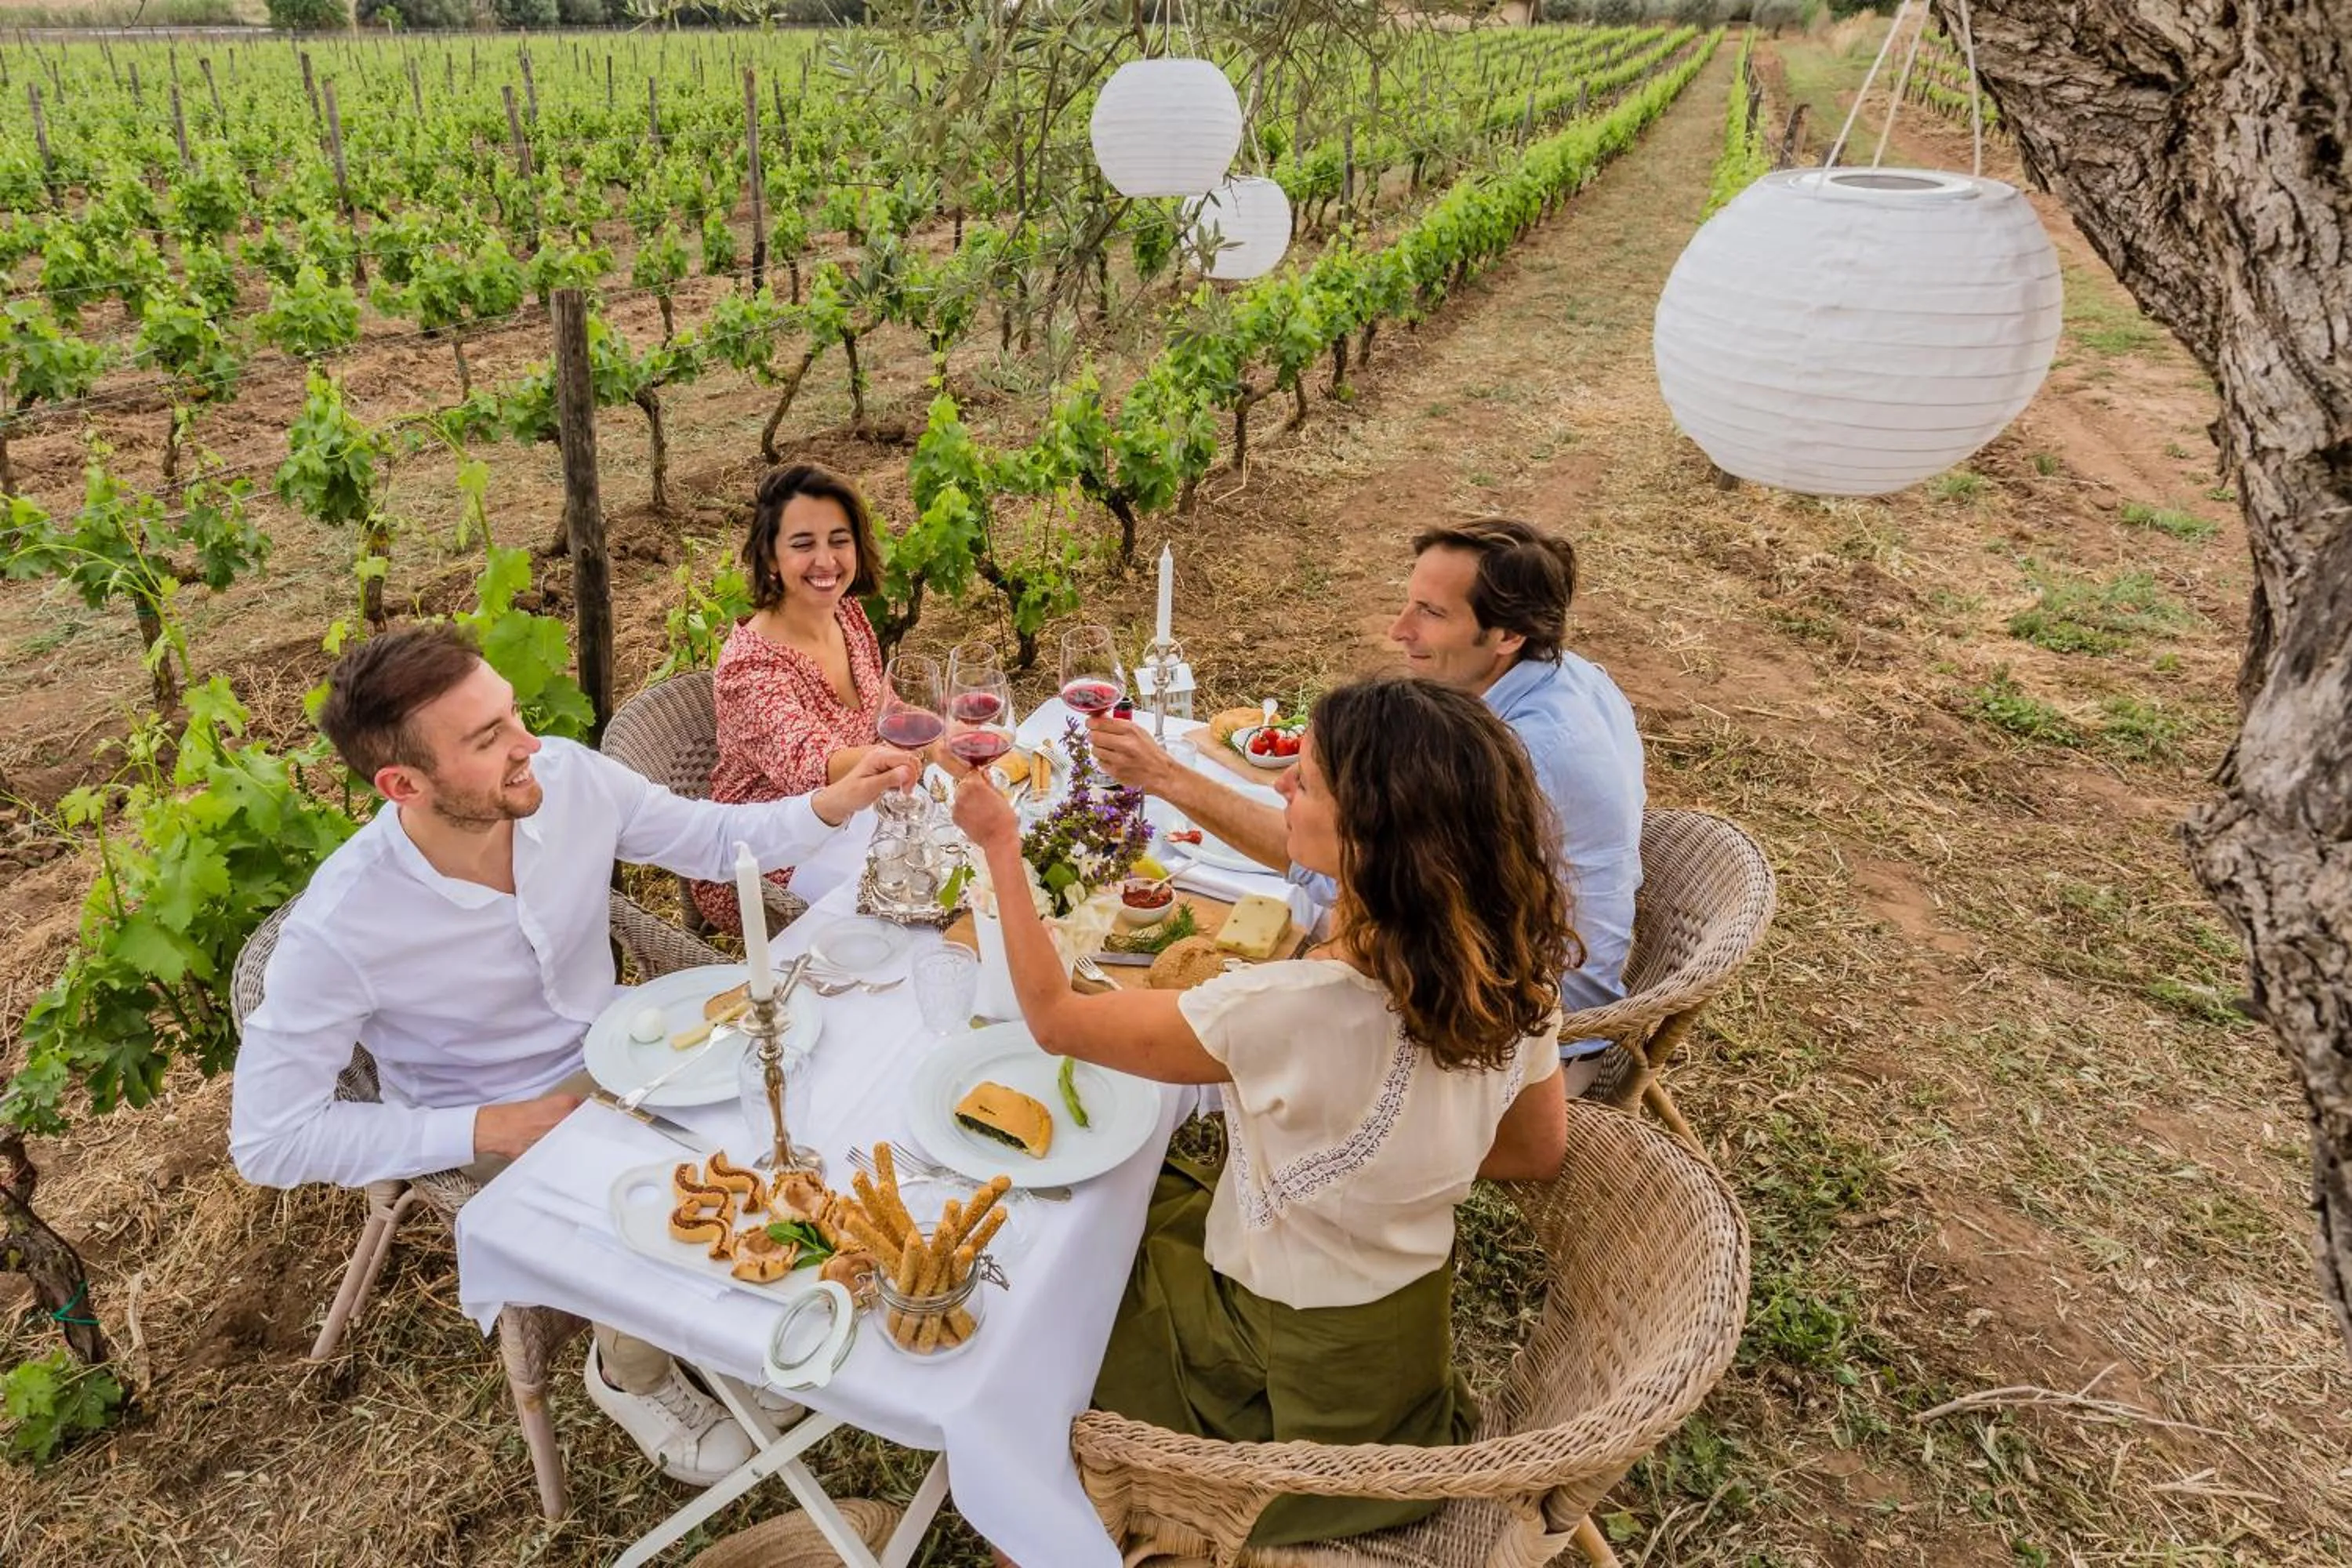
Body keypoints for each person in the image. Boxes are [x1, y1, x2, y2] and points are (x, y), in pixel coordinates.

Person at [229, 625, 917, 1487]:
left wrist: (833, 804)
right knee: (651, 1193)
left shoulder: (566, 775)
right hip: (490, 1119)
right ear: (402, 783)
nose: (529, 748)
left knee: (799, 1099)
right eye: (488, 740)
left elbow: (708, 837)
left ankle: (727, 1328)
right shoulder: (339, 928)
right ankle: (629, 1368)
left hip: (628, 1046)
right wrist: (492, 1124)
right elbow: (268, 1137)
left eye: (511, 714)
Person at [951, 677, 1573, 1552]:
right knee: (1134, 1190)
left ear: (1370, 840)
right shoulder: (1509, 965)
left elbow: (1056, 1018)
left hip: (1268, 1379)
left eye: (1306, 783)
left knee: (1050, 1281)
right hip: (1397, 1354)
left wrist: (1002, 846)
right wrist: (1395, 1158)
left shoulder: (1286, 1005)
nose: (1282, 786)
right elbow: (1539, 1147)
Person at [1090, 517, 1643, 1090]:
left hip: (1520, 1046)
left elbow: (1356, 887)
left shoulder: (1516, 755)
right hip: (1514, 968)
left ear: (1508, 635)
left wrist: (1166, 777)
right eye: (1410, 604)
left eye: (1431, 613)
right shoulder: (1572, 676)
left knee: (1217, 1027)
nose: (1399, 629)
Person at [689, 463, 891, 934]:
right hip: (768, 852)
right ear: (772, 558)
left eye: (839, 541)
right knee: (902, 903)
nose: (826, 561)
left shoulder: (849, 616)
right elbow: (813, 764)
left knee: (952, 857)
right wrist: (918, 748)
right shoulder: (750, 665)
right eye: (804, 545)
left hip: (853, 811)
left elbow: (884, 711)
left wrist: (939, 725)